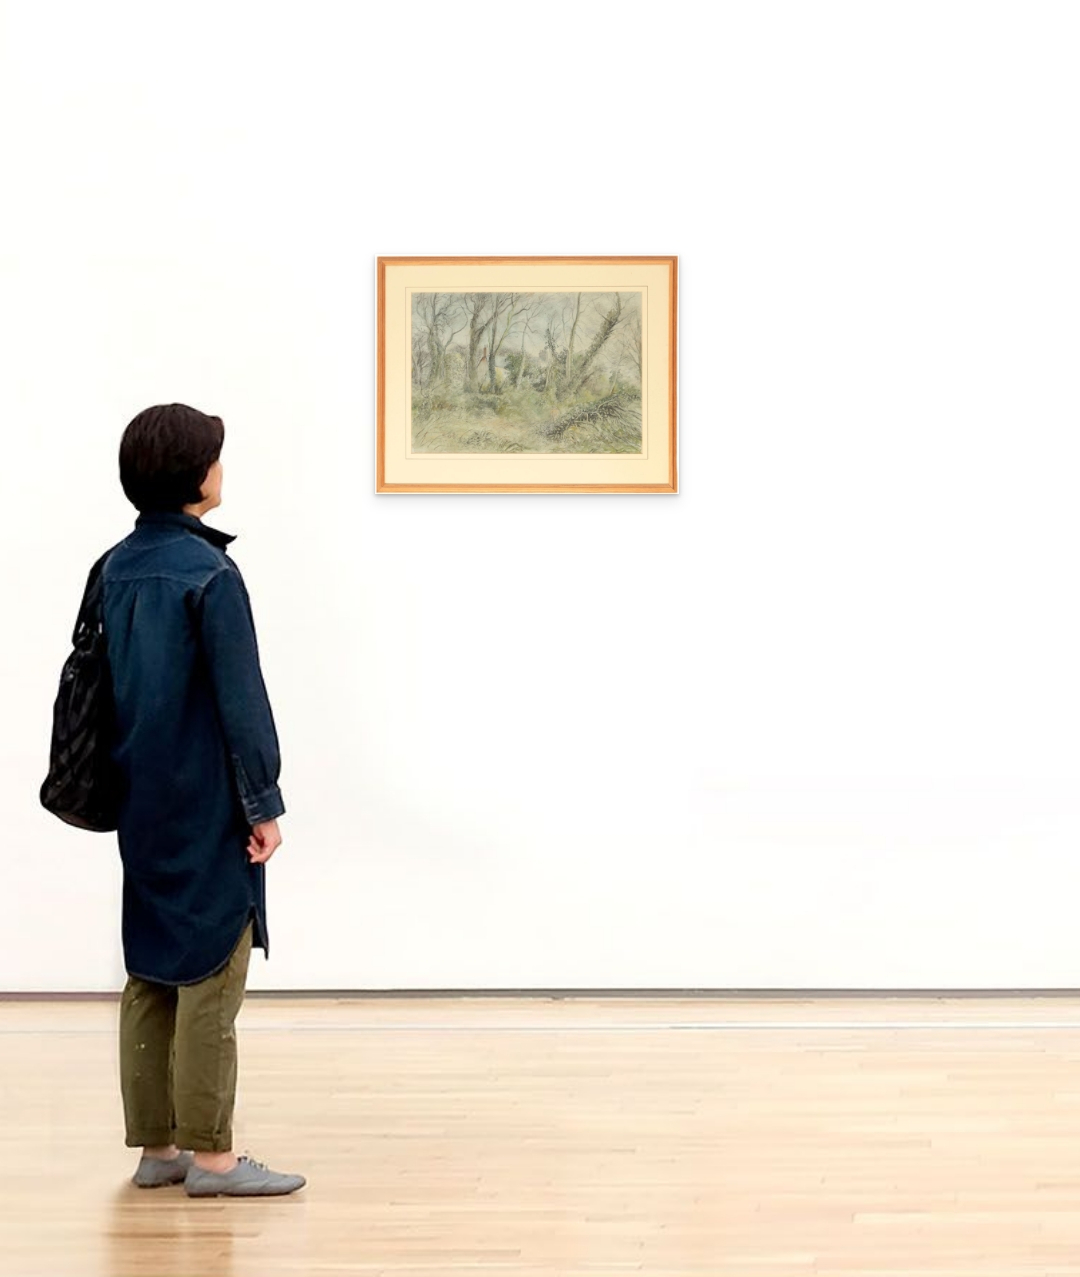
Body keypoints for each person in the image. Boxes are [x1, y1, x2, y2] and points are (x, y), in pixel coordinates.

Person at [101, 403, 305, 1197]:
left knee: (150, 968)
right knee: (213, 973)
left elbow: (93, 690)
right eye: (216, 457)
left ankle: (156, 1149)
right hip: (208, 801)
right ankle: (214, 1158)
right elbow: (241, 702)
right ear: (194, 477)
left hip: (140, 795)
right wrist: (263, 801)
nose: (223, 468)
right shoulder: (211, 574)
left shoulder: (113, 568)